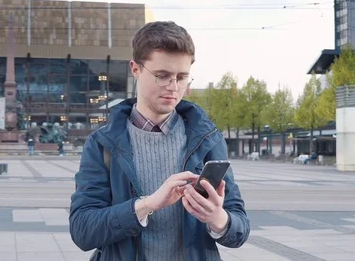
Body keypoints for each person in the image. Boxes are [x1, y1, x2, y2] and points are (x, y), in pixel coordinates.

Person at [69, 21, 250, 260]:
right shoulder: (102, 144)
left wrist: (218, 219)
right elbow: (83, 230)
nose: (173, 88)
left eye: (182, 77)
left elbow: (240, 228)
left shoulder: (207, 138)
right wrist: (147, 205)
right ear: (135, 69)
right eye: (162, 76)